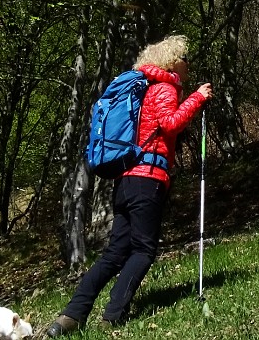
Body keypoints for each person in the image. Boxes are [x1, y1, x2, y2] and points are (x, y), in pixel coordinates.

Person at [45, 35, 211, 336]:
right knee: (144, 250)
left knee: (115, 252)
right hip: (148, 179)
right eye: (185, 59)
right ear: (173, 61)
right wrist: (197, 98)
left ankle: (71, 316)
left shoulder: (142, 89)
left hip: (126, 180)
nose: (188, 65)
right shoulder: (163, 88)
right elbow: (170, 123)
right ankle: (113, 316)